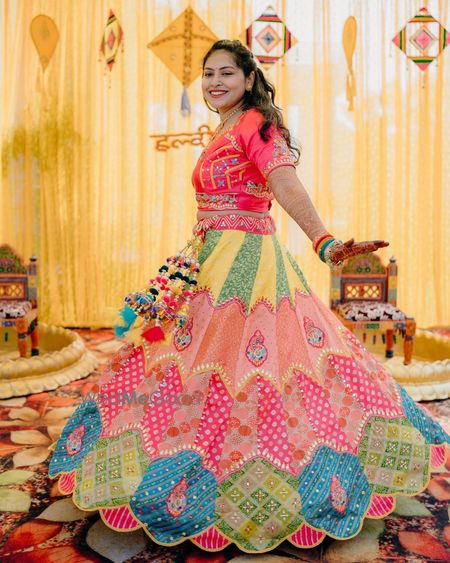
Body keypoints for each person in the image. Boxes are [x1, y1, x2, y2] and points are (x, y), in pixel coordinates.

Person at [49, 40, 449, 554]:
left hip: (247, 265)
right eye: (208, 74)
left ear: (249, 78)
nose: (215, 82)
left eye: (227, 73)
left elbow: (284, 182)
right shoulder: (226, 126)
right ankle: (178, 465)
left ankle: (262, 482)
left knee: (249, 369)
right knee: (191, 363)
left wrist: (324, 242)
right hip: (211, 257)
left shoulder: (257, 123)